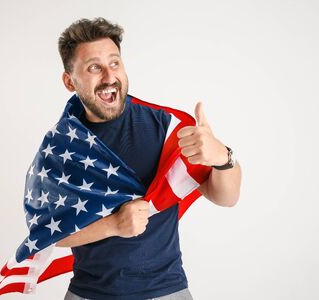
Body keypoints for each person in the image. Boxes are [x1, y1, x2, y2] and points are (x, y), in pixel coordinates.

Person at [55, 17, 242, 300]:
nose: (108, 76)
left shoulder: (164, 128)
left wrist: (222, 157)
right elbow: (51, 233)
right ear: (70, 81)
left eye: (114, 63)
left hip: (167, 291)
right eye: (94, 67)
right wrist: (113, 225)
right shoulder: (61, 146)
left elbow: (226, 197)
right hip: (89, 294)